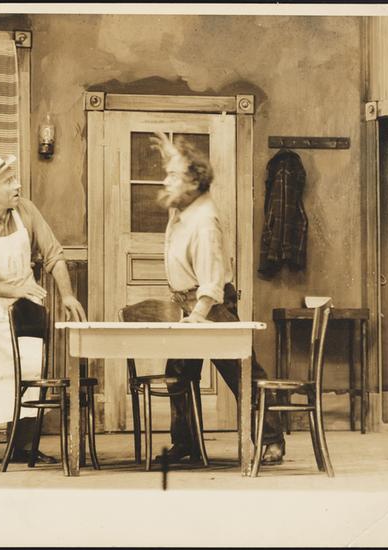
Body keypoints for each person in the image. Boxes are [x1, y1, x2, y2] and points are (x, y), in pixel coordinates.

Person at [150, 131, 285, 465]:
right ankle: (186, 443)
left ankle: (270, 440)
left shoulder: (204, 220)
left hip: (210, 306)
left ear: (194, 182)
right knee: (178, 374)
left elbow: (211, 279)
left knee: (242, 372)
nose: (166, 181)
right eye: (167, 174)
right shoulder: (183, 208)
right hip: (188, 304)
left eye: (173, 176)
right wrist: (171, 153)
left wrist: (199, 315)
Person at [0, 151, 87, 466]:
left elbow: (53, 253)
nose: (17, 185)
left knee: (29, 371)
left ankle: (22, 446)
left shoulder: (25, 210)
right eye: (9, 181)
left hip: (26, 306)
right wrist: (16, 290)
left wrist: (67, 295)